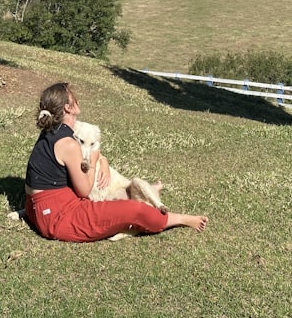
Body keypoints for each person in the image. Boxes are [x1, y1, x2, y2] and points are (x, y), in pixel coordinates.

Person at [23, 82, 208, 242]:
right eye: (73, 97)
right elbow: (84, 190)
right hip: (57, 218)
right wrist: (95, 161)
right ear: (67, 108)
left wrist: (103, 162)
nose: (78, 99)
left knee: (115, 201)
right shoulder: (68, 144)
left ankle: (147, 190)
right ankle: (180, 219)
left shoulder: (52, 131)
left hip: (36, 209)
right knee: (135, 210)